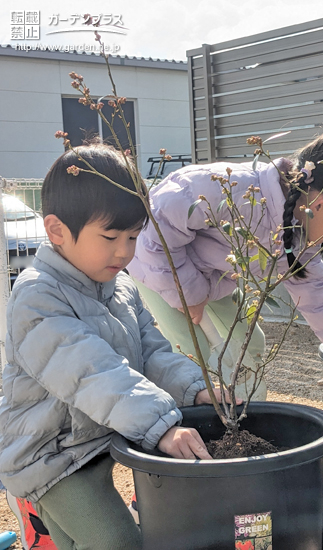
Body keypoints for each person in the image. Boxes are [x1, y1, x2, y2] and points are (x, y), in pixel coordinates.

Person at [0, 142, 229, 550]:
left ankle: (49, 530)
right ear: (56, 231)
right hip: (52, 454)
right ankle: (41, 515)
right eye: (109, 236)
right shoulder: (37, 296)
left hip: (102, 434)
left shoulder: (120, 287)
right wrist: (162, 424)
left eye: (133, 236)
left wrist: (195, 387)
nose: (124, 251)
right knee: (118, 542)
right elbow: (93, 371)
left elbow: (152, 352)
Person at [128, 132, 323, 362]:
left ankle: (242, 414)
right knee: (193, 354)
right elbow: (155, 231)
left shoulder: (298, 234)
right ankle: (190, 412)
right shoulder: (229, 189)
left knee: (249, 346)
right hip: (158, 270)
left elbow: (318, 296)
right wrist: (189, 295)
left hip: (207, 283)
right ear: (322, 205)